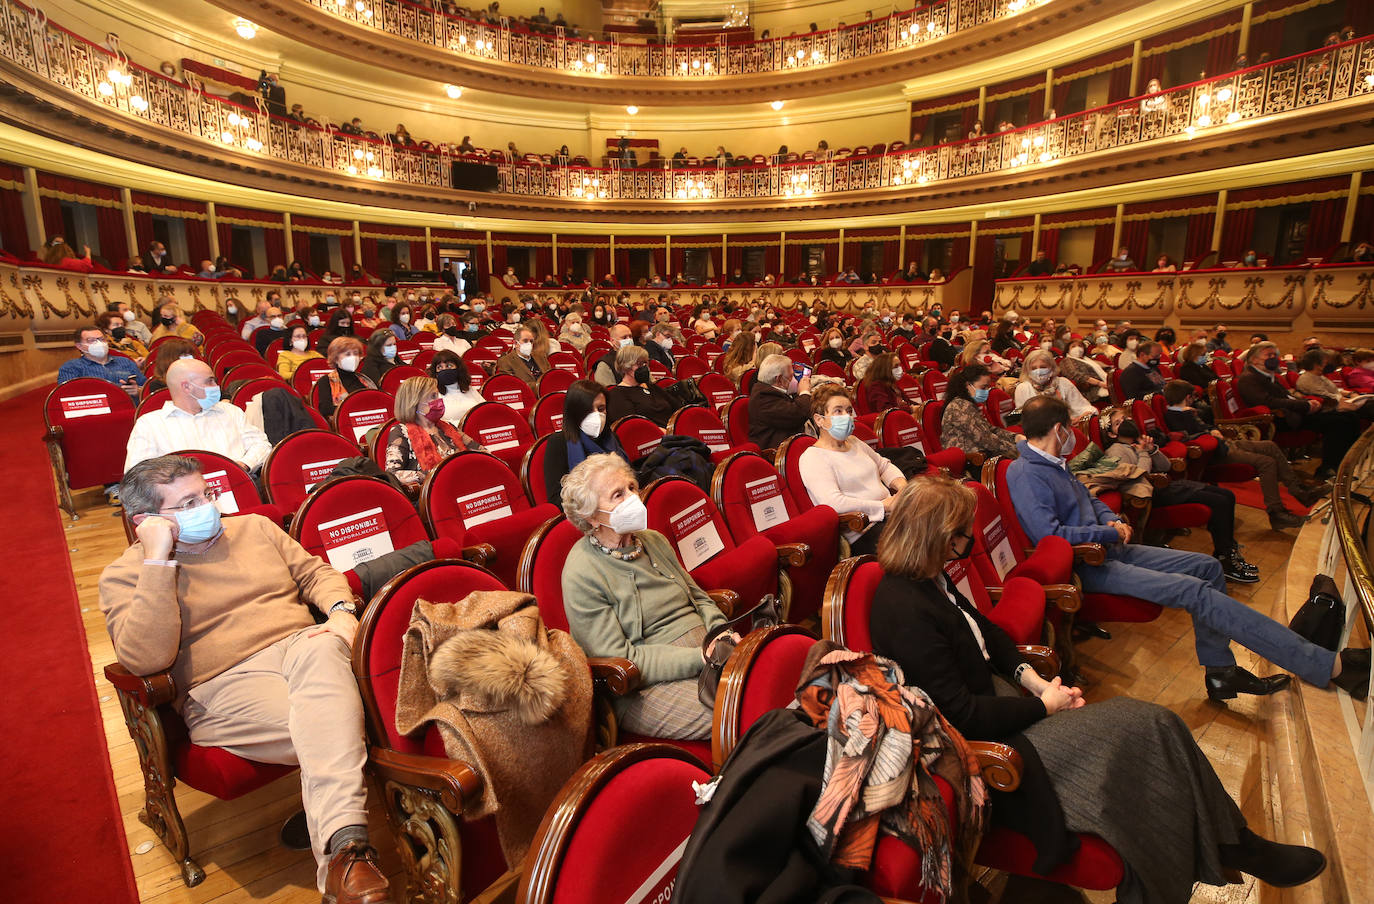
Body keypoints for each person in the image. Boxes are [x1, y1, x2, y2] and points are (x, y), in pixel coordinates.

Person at [869, 473, 1333, 904]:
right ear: (936, 538)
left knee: (1156, 730)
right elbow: (962, 716)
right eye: (962, 536)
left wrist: (1031, 680)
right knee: (1151, 725)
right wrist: (1045, 707)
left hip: (1008, 704)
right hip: (988, 743)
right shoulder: (902, 607)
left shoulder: (930, 576)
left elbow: (986, 633)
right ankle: (1228, 848)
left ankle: (1236, 843)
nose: (968, 545)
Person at [99, 456, 393, 904]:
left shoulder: (254, 529)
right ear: (147, 521)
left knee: (322, 648)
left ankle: (345, 853)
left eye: (207, 494)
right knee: (344, 718)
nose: (208, 507)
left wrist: (340, 611)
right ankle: (347, 842)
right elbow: (144, 659)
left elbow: (315, 573)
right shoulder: (125, 575)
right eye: (189, 502)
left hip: (305, 648)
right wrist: (158, 561)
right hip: (223, 684)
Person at [1007, 396, 1367, 701]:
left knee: (1206, 567)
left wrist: (1112, 518)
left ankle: (1220, 670)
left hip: (1110, 547)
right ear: (1059, 430)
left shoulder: (1055, 463)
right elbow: (1048, 535)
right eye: (1070, 428)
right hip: (1088, 562)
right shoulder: (1026, 472)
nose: (1073, 435)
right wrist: (1107, 533)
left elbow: (1088, 496)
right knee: (1194, 591)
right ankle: (1324, 664)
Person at [559, 454, 731, 740]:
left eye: (631, 487)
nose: (633, 499)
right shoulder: (581, 572)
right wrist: (700, 657)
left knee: (771, 681)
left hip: (709, 651)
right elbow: (622, 658)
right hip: (644, 683)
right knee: (738, 711)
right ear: (591, 516)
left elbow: (698, 598)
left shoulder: (653, 540)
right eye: (618, 495)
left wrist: (721, 633)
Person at [1101, 411, 1256, 581]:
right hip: (1148, 494)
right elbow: (1138, 476)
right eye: (1118, 423)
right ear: (1111, 433)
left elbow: (1166, 466)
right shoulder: (1116, 450)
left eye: (1125, 418)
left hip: (1163, 485)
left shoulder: (1136, 443)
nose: (1125, 422)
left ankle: (1228, 551)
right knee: (1218, 502)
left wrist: (1151, 449)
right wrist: (1143, 453)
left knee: (1227, 495)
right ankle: (1226, 559)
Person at [1160, 381, 1320, 530]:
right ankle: (1276, 513)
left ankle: (1300, 492)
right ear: (1188, 397)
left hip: (1224, 443)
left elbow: (1207, 425)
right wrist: (1206, 428)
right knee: (1266, 462)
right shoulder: (1177, 415)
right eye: (1193, 397)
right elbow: (1189, 436)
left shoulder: (1189, 412)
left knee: (1270, 446)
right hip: (1215, 452)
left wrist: (1210, 428)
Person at [798, 385, 906, 555]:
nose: (846, 416)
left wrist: (903, 488)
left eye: (849, 411)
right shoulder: (812, 457)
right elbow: (834, 503)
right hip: (863, 531)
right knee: (919, 541)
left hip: (891, 516)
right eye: (838, 411)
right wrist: (883, 506)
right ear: (819, 420)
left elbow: (884, 466)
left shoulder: (855, 442)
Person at [1238, 342, 1358, 481]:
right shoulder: (1249, 378)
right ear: (1253, 359)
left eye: (1274, 355)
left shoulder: (1270, 375)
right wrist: (1304, 405)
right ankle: (1327, 469)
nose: (1273, 358)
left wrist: (1307, 402)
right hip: (1279, 418)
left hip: (1293, 411)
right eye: (1268, 355)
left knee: (1350, 416)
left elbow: (1288, 396)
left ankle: (1345, 465)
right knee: (1338, 422)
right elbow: (1268, 401)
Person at [124, 359, 271, 473]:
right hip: (183, 501)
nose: (216, 386)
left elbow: (261, 444)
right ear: (187, 387)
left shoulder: (230, 411)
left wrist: (243, 465)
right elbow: (138, 473)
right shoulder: (149, 424)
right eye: (209, 381)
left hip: (238, 485)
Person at [383, 377, 484, 491]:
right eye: (433, 396)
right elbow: (392, 474)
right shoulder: (401, 431)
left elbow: (481, 451)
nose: (439, 401)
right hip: (434, 493)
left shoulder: (447, 426)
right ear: (415, 401)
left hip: (464, 485)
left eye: (438, 396)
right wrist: (434, 475)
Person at [542, 380, 630, 505]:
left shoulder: (612, 438)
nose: (597, 416)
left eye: (601, 409)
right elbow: (556, 499)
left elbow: (629, 476)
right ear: (574, 413)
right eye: (588, 410)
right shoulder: (558, 443)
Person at [941, 363, 1018, 459]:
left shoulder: (969, 404)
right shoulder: (959, 407)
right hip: (970, 460)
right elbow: (985, 439)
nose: (986, 391)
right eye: (983, 387)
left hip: (981, 453)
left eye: (987, 387)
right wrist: (1017, 450)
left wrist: (1015, 437)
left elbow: (990, 429)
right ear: (968, 386)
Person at [59, 323, 146, 398]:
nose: (99, 343)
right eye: (91, 340)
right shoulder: (71, 367)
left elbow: (146, 388)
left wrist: (138, 391)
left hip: (130, 408)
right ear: (79, 346)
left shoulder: (125, 362)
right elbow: (67, 396)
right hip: (95, 412)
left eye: (101, 339)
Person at [748, 354, 812, 450]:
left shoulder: (775, 391)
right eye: (791, 376)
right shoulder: (763, 397)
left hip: (792, 442)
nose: (794, 380)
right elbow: (797, 414)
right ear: (779, 379)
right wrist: (804, 392)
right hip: (777, 451)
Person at [605, 345, 676, 428]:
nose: (644, 367)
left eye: (645, 363)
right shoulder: (617, 395)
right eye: (639, 364)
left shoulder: (652, 387)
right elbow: (633, 426)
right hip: (653, 437)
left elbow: (677, 408)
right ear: (625, 367)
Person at [1014, 349, 1095, 419]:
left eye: (1043, 367)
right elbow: (1024, 419)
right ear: (1027, 371)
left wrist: (1082, 417)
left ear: (1052, 367)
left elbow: (1083, 407)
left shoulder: (1063, 383)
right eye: (1034, 368)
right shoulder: (1022, 388)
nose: (1038, 371)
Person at [1296, 349, 1374, 417]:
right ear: (1316, 364)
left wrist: (1350, 394)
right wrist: (1346, 399)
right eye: (1325, 362)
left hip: (1340, 401)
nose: (1328, 364)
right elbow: (1324, 395)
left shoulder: (1319, 375)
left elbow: (1335, 390)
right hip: (1330, 406)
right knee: (1369, 407)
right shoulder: (1306, 379)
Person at [314, 337, 376, 419]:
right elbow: (325, 409)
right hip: (345, 422)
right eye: (348, 354)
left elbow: (378, 400)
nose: (353, 358)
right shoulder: (326, 381)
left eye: (355, 353)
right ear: (335, 358)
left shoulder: (365, 379)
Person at [426, 350, 482, 427]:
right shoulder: (433, 395)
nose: (444, 370)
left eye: (449, 366)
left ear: (458, 368)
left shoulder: (469, 389)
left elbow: (484, 409)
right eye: (439, 367)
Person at [495, 323, 547, 390]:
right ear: (516, 343)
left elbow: (549, 377)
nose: (529, 344)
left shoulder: (541, 357)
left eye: (531, 341)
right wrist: (540, 385)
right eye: (525, 341)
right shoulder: (506, 361)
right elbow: (512, 385)